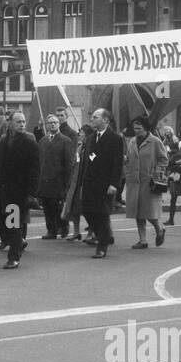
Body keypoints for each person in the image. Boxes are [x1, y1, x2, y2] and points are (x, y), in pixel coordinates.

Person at [0, 111, 40, 269]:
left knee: (13, 224)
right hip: (1, 191)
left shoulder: (29, 143)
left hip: (18, 192)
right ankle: (18, 241)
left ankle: (14, 257)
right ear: (10, 123)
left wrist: (31, 193)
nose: (22, 124)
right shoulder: (3, 142)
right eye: (18, 121)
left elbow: (34, 170)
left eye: (24, 121)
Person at [81, 108, 124, 258]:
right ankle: (104, 236)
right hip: (89, 182)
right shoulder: (92, 137)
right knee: (87, 211)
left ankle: (102, 246)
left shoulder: (115, 139)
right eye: (92, 117)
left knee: (102, 214)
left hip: (105, 183)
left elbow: (117, 164)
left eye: (95, 117)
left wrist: (114, 184)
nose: (92, 119)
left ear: (105, 120)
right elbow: (89, 158)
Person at [124, 115, 169, 248]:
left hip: (149, 182)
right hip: (134, 181)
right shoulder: (132, 141)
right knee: (138, 213)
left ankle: (159, 228)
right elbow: (128, 159)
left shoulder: (155, 141)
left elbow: (164, 159)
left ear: (145, 128)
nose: (136, 130)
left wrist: (157, 173)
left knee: (150, 212)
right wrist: (127, 168)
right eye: (135, 128)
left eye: (139, 128)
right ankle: (142, 240)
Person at [36, 114, 74, 240]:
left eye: (55, 122)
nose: (53, 124)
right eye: (50, 122)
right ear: (46, 125)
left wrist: (67, 183)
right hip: (45, 180)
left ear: (59, 124)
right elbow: (40, 161)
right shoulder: (42, 141)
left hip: (59, 180)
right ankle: (51, 230)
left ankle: (63, 226)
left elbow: (69, 163)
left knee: (58, 206)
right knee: (47, 207)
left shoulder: (65, 141)